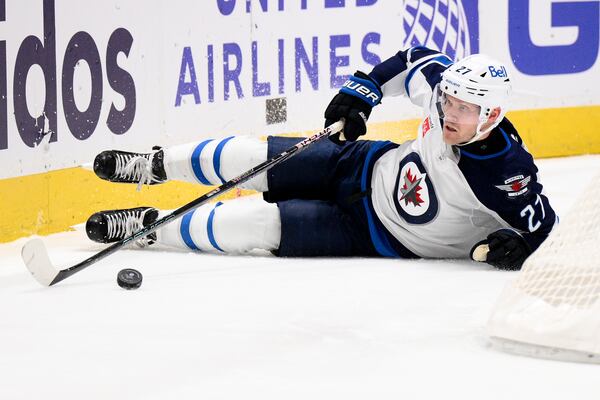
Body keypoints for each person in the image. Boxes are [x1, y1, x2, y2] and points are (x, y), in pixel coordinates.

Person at [85, 46, 557, 270]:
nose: (450, 113)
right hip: (361, 163)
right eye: (449, 101)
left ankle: (148, 227)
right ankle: (152, 165)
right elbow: (414, 58)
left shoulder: (505, 175)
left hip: (371, 234)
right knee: (252, 154)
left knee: (252, 225)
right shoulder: (443, 94)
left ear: (491, 114)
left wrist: (523, 245)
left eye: (466, 109)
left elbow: (548, 230)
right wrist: (364, 91)